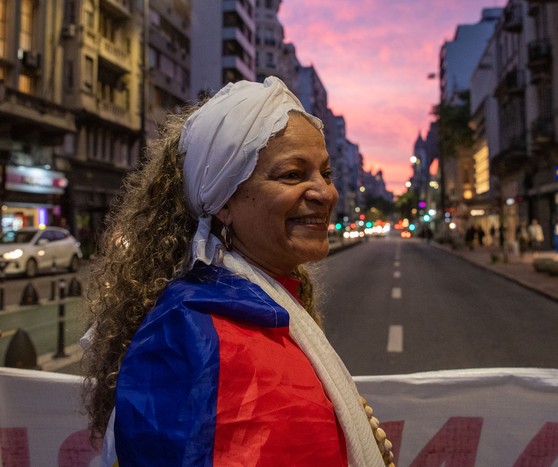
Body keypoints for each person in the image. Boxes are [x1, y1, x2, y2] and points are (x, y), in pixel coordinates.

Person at [81, 77, 391, 466]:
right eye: (293, 174)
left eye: (325, 173)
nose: (325, 193)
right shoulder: (190, 338)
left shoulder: (265, 306)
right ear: (223, 201)